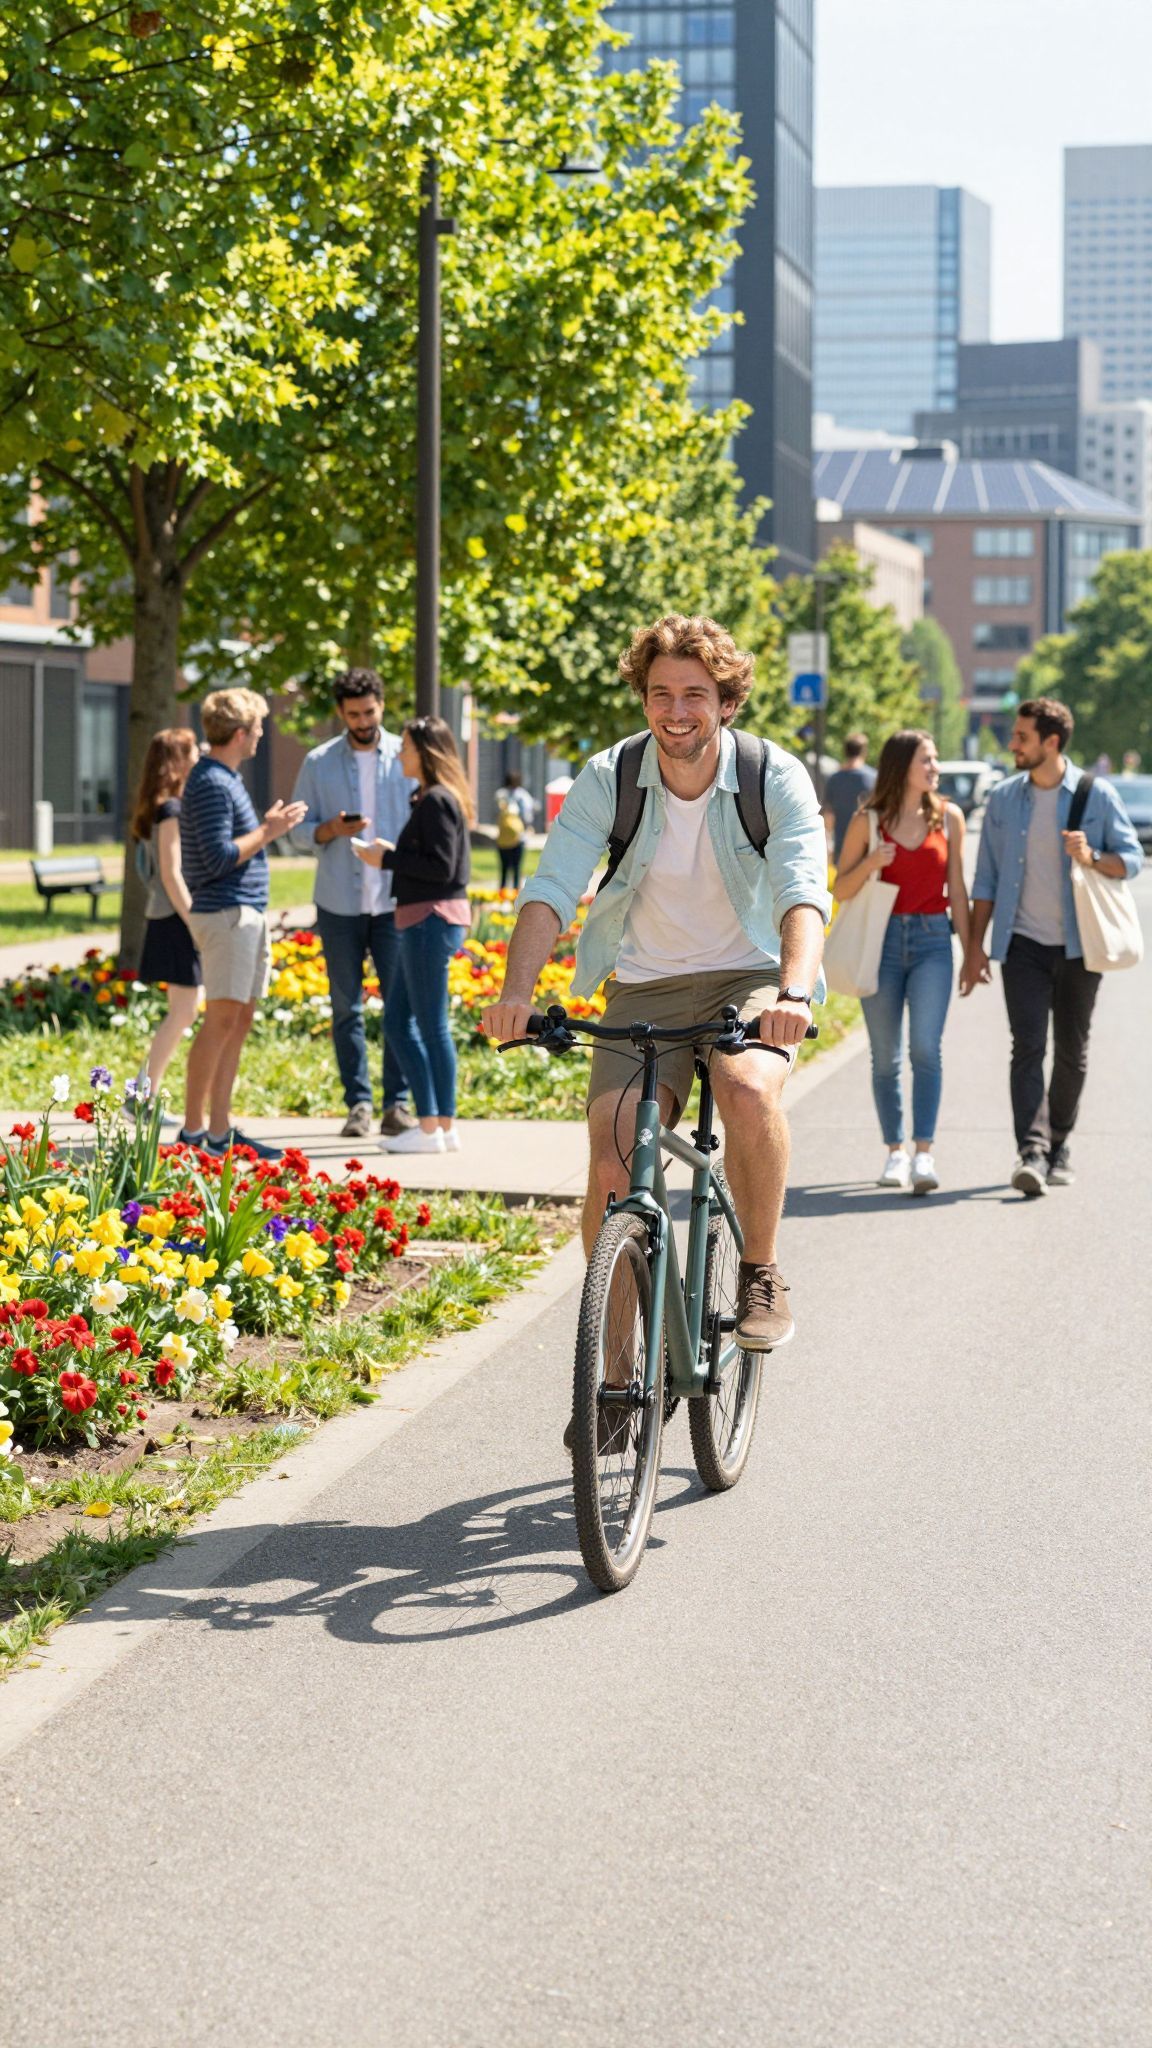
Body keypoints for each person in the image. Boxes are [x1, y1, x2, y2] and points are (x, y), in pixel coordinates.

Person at [480, 612, 828, 1361]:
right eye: (661, 693)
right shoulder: (610, 778)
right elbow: (551, 888)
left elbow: (803, 891)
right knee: (613, 1151)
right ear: (642, 697)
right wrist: (516, 993)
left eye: (695, 694)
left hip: (752, 976)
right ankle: (614, 1367)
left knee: (746, 1089)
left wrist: (795, 995)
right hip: (646, 982)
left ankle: (761, 1272)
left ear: (727, 702)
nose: (676, 711)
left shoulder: (773, 776)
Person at [960, 696, 1142, 1195]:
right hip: (1023, 945)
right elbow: (986, 879)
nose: (1012, 744)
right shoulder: (1003, 799)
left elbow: (1131, 859)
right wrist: (974, 948)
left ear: (1052, 742)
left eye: (1022, 737)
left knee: (1072, 1051)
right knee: (1027, 1047)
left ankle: (1059, 1141)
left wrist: (1092, 855)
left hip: (1081, 946)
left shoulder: (1095, 794)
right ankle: (1032, 1152)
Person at [833, 729, 969, 1194]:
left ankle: (924, 1154)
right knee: (885, 1057)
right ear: (902, 766)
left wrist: (972, 953)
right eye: (926, 760)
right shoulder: (868, 821)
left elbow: (958, 890)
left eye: (935, 759)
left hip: (934, 941)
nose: (935, 767)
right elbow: (840, 889)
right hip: (882, 941)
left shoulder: (949, 817)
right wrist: (872, 863)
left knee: (926, 1049)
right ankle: (895, 1152)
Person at [178, 688, 307, 1158]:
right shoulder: (213, 782)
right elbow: (217, 857)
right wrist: (269, 831)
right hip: (226, 915)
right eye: (256, 729)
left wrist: (265, 829)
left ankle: (219, 1131)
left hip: (241, 914)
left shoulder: (223, 778)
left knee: (237, 1019)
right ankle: (194, 1133)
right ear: (238, 733)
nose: (260, 736)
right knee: (221, 1021)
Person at [290, 668, 415, 1140]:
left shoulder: (405, 755)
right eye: (353, 714)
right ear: (341, 713)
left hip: (393, 901)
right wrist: (329, 830)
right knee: (346, 1008)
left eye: (369, 712)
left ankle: (396, 1105)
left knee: (398, 1006)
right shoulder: (318, 762)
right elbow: (298, 832)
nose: (363, 721)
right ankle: (358, 1105)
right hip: (338, 902)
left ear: (381, 706)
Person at [353, 716, 473, 1155]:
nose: (399, 753)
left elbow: (442, 868)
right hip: (424, 920)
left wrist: (386, 859)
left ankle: (433, 1128)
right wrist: (392, 855)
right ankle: (438, 1126)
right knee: (401, 1022)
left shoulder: (437, 799)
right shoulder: (433, 797)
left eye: (405, 746)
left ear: (425, 752)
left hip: (429, 920)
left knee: (427, 1025)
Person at [129, 726, 202, 1122]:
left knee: (183, 1011)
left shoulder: (156, 806)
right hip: (176, 918)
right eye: (193, 752)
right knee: (184, 1012)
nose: (199, 756)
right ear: (178, 761)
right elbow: (172, 875)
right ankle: (141, 1096)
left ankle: (143, 1094)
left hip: (168, 916)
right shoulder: (171, 809)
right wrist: (196, 923)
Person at [822, 733, 876, 864]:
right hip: (868, 846)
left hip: (841, 845)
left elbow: (828, 815)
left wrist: (829, 842)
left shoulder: (834, 779)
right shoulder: (873, 778)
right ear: (864, 751)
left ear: (845, 751)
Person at [494, 770, 536, 893]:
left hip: (502, 837)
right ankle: (515, 894)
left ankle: (501, 894)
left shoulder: (500, 794)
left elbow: (496, 814)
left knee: (504, 869)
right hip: (519, 837)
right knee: (517, 868)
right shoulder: (523, 795)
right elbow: (527, 815)